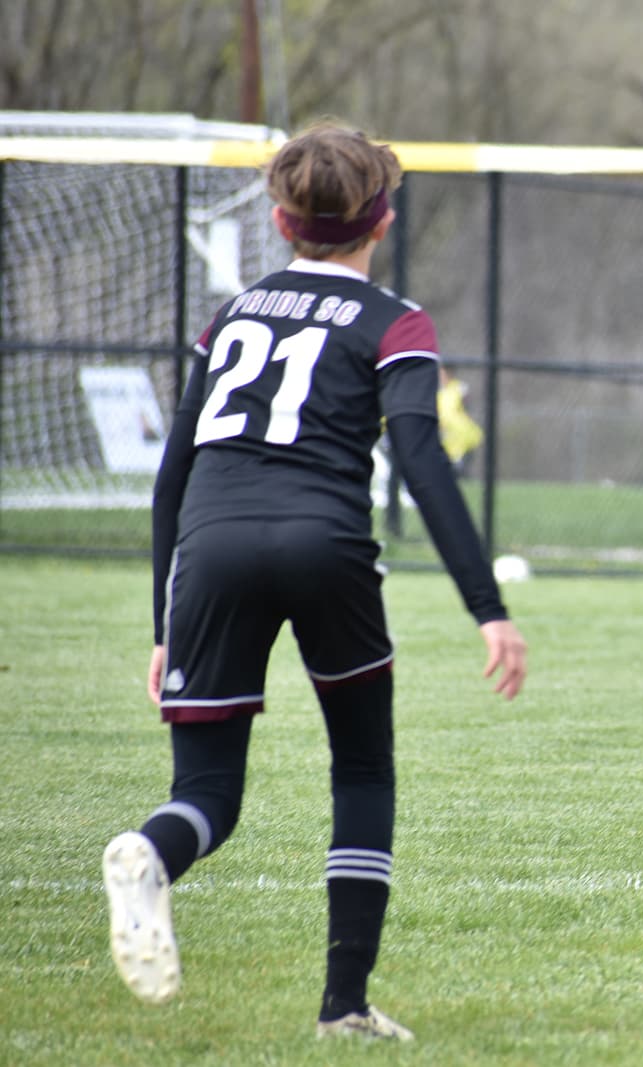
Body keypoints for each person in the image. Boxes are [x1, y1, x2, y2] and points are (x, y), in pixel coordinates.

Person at [101, 121, 528, 1042]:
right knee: (363, 769)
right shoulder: (394, 321)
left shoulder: (231, 317)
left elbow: (171, 477)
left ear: (279, 219)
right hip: (327, 547)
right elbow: (422, 461)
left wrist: (163, 624)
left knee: (209, 794)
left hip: (209, 551)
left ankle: (152, 852)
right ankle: (344, 1005)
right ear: (382, 220)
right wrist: (488, 609)